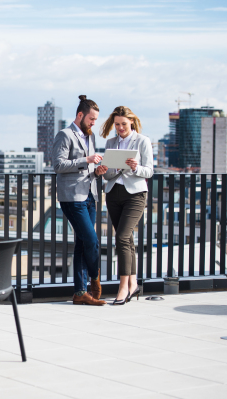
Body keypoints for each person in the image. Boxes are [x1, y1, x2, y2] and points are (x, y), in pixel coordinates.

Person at [95, 106, 153, 305]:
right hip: (113, 193)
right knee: (127, 240)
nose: (120, 128)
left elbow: (150, 171)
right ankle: (134, 284)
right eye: (117, 124)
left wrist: (136, 167)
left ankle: (123, 287)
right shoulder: (111, 142)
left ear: (132, 122)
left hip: (135, 194)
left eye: (123, 124)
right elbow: (110, 174)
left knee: (121, 236)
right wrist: (106, 169)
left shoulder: (142, 141)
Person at [53, 95, 106, 306]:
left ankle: (79, 292)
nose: (94, 123)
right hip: (72, 197)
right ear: (80, 115)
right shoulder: (64, 135)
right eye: (91, 119)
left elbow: (88, 170)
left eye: (96, 120)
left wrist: (97, 171)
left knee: (82, 243)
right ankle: (94, 278)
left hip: (90, 194)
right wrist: (86, 160)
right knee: (92, 240)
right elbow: (58, 165)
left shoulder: (90, 137)